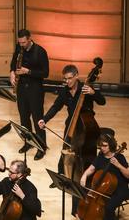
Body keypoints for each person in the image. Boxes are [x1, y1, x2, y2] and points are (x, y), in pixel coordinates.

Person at [38, 64, 106, 215]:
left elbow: (102, 101)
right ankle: (61, 177)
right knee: (66, 150)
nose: (67, 81)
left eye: (69, 78)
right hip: (72, 126)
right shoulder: (64, 91)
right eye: (65, 79)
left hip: (86, 127)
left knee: (83, 153)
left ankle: (83, 176)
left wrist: (94, 92)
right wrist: (44, 119)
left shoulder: (86, 88)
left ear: (76, 76)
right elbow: (56, 107)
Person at [10, 29, 49, 160]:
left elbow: (45, 73)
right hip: (21, 89)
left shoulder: (40, 52)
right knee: (24, 119)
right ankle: (29, 142)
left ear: (30, 39)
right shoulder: (19, 47)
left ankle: (41, 147)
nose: (22, 45)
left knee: (38, 119)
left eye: (24, 42)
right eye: (20, 42)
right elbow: (13, 61)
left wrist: (28, 71)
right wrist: (11, 72)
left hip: (35, 90)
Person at [79, 134, 129, 220]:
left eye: (105, 146)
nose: (102, 148)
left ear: (111, 145)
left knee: (108, 208)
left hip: (119, 189)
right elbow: (91, 169)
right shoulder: (100, 157)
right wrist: (84, 175)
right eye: (101, 145)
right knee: (80, 194)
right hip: (103, 188)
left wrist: (119, 165)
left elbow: (128, 175)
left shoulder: (120, 157)